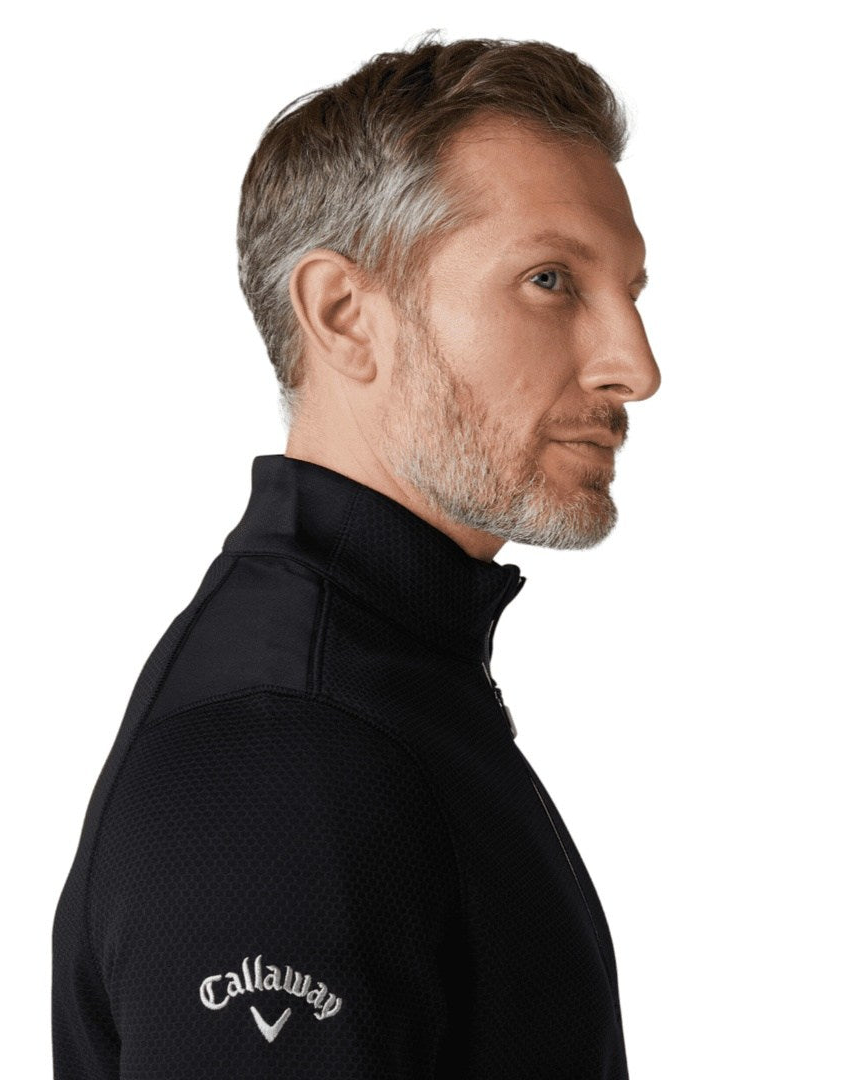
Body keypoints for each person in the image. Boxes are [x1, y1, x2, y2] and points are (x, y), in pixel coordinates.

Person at [52, 32, 659, 1079]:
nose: (634, 366)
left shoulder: (382, 683)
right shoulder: (287, 754)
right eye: (551, 280)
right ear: (344, 317)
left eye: (631, 292)